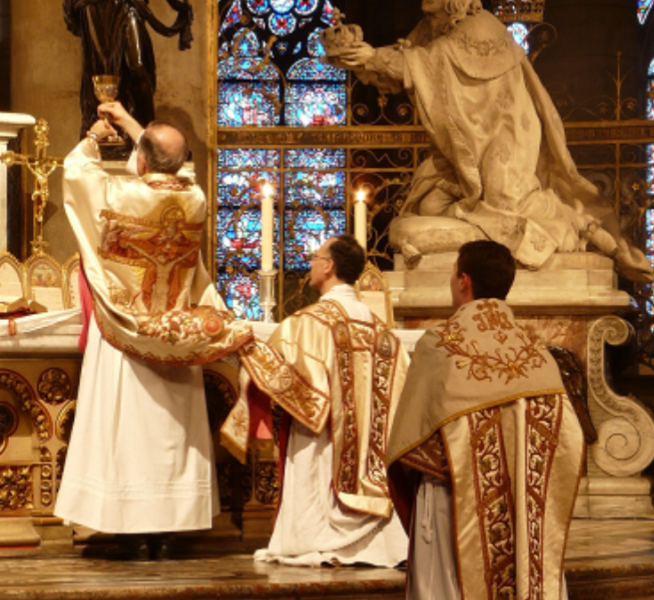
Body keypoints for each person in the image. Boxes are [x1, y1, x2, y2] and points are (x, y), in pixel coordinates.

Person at [328, 0, 652, 282]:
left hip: (501, 142)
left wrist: (372, 57)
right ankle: (511, 228)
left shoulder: (481, 27)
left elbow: (424, 62)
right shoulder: (438, 27)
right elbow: (407, 61)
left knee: (407, 230)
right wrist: (356, 57)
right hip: (466, 158)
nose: (426, 8)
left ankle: (557, 233)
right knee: (417, 216)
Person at [55, 101, 252, 559]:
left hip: (124, 333)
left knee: (124, 428)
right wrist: (132, 126)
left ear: (139, 160)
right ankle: (169, 526)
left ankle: (126, 524)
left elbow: (76, 170)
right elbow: (165, 169)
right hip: (174, 335)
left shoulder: (120, 196)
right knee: (170, 432)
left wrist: (96, 137)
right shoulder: (194, 200)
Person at [387, 240, 584, 600]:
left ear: (464, 280)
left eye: (453, 274)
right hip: (526, 509)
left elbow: (410, 442)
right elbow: (568, 438)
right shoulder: (536, 353)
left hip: (452, 504)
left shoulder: (441, 345)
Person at [239, 235, 410, 567]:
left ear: (329, 266)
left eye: (316, 258)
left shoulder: (309, 323)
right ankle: (375, 540)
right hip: (369, 452)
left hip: (325, 439)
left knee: (313, 457)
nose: (311, 264)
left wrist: (242, 346)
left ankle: (314, 538)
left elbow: (272, 371)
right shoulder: (381, 330)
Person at [62, 0, 193, 137]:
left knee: (138, 67)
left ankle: (145, 131)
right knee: (102, 73)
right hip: (93, 8)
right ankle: (108, 130)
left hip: (129, 5)